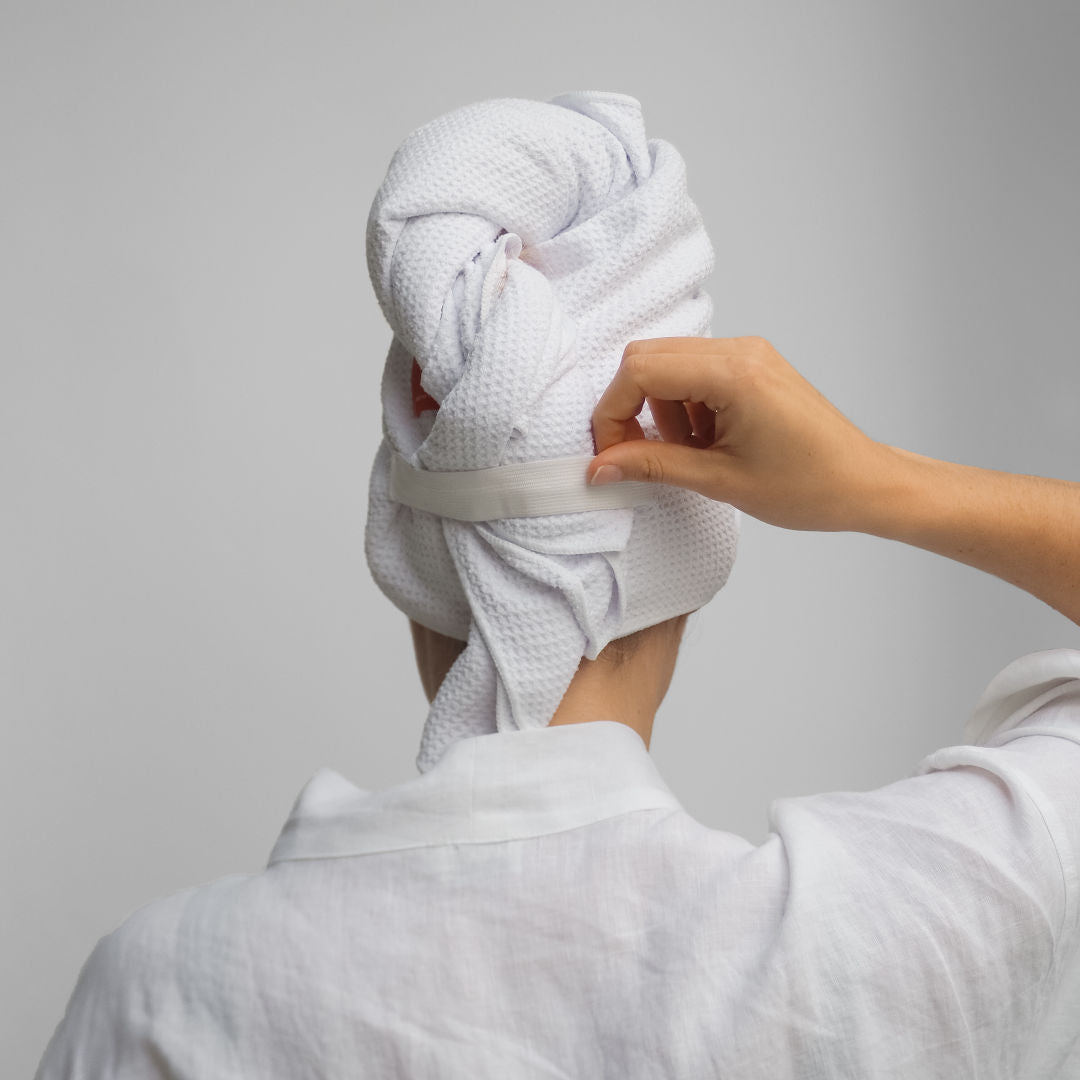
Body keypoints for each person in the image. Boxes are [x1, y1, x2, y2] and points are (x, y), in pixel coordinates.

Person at [37, 334, 1079, 1079]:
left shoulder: (162, 989)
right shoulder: (869, 942)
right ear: (699, 550)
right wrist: (877, 481)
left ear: (404, 565)